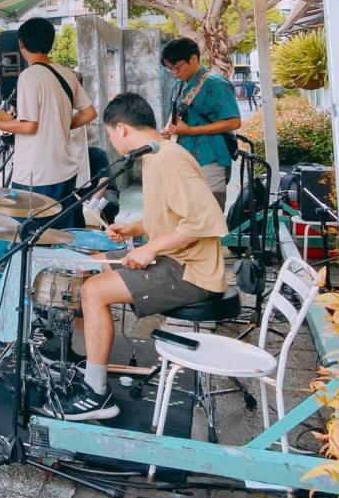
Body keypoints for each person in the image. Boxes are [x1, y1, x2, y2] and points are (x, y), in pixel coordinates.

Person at [48, 93, 228, 421]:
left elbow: (206, 221)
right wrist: (134, 229)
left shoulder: (168, 160)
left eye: (111, 134)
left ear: (122, 129)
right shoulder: (155, 155)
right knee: (90, 266)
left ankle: (96, 394)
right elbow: (172, 215)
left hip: (191, 271)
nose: (112, 141)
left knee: (93, 291)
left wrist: (150, 248)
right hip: (175, 258)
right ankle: (88, 360)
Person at [0, 18, 96, 228]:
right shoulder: (67, 73)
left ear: (21, 44)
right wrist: (58, 125)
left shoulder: (29, 76)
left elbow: (29, 126)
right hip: (65, 170)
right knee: (62, 234)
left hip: (37, 175)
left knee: (31, 236)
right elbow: (89, 113)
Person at [159, 38, 241, 209]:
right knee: (188, 212)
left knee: (210, 212)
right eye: (170, 69)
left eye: (176, 67)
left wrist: (190, 130)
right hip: (185, 157)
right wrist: (168, 129)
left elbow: (234, 122)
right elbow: (177, 112)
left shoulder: (216, 83)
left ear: (193, 59)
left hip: (211, 159)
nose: (174, 72)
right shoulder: (179, 84)